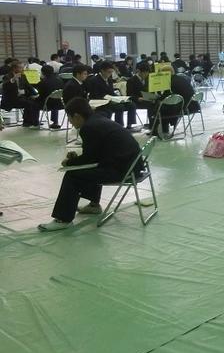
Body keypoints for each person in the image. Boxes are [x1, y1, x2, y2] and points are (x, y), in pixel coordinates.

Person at [38, 97, 142, 232]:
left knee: (72, 175)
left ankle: (63, 219)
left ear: (76, 116)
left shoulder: (88, 127)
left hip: (123, 170)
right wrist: (77, 159)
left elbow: (90, 159)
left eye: (69, 117)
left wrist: (69, 163)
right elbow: (95, 154)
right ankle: (94, 205)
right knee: (92, 168)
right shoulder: (97, 119)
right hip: (133, 166)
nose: (69, 121)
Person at [86, 61, 138, 129]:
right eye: (109, 72)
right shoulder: (94, 80)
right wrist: (109, 98)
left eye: (111, 72)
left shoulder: (109, 80)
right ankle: (119, 127)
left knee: (131, 104)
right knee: (120, 107)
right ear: (102, 71)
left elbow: (112, 93)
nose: (110, 74)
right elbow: (95, 95)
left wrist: (121, 98)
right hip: (101, 101)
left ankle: (129, 125)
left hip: (111, 99)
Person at [1, 61, 40, 126]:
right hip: (11, 99)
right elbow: (5, 86)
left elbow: (29, 86)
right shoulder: (7, 76)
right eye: (21, 68)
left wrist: (36, 94)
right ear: (14, 68)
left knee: (35, 102)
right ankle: (32, 122)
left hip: (21, 98)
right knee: (29, 103)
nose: (23, 69)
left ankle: (30, 121)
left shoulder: (23, 76)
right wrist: (13, 79)